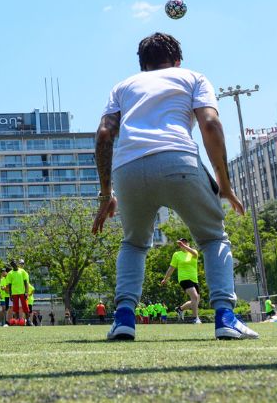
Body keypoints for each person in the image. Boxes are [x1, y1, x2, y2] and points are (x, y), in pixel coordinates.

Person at [92, 32, 258, 341]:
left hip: (129, 169)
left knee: (134, 244)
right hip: (178, 161)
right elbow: (210, 124)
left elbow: (104, 135)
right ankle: (225, 317)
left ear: (142, 65)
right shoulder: (192, 77)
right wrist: (224, 184)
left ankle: (124, 318)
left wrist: (106, 195)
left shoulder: (123, 87)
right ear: (177, 61)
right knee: (212, 239)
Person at [161, 237, 203, 324]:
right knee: (194, 296)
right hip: (183, 278)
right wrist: (165, 279)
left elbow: (194, 253)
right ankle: (195, 319)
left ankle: (180, 309)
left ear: (188, 244)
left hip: (194, 279)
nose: (183, 244)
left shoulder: (193, 252)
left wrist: (184, 246)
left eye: (185, 242)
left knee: (195, 301)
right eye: (181, 243)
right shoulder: (177, 254)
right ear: (179, 246)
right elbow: (171, 268)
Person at [7, 260, 30, 326]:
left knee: (25, 307)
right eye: (12, 264)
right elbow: (10, 285)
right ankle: (17, 321)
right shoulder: (10, 273)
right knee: (15, 308)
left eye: (14, 263)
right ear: (11, 266)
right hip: (14, 293)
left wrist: (26, 292)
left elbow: (25, 282)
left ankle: (28, 321)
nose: (14, 264)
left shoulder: (22, 271)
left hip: (22, 292)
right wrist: (10, 294)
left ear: (16, 263)